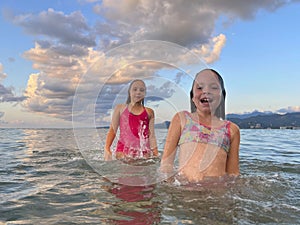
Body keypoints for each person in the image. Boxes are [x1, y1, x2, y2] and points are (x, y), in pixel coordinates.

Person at [160, 69, 240, 183]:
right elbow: (166, 163)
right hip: (185, 192)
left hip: (216, 195)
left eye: (213, 87)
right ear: (192, 96)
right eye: (200, 87)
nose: (206, 91)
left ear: (222, 96)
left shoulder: (231, 129)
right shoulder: (182, 119)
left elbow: (233, 174)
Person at [105, 79, 158, 160]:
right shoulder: (120, 108)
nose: (138, 92)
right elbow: (113, 130)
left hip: (143, 154)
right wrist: (107, 148)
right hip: (123, 153)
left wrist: (155, 153)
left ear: (145, 94)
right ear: (129, 92)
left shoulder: (149, 112)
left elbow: (151, 135)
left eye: (141, 90)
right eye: (135, 89)